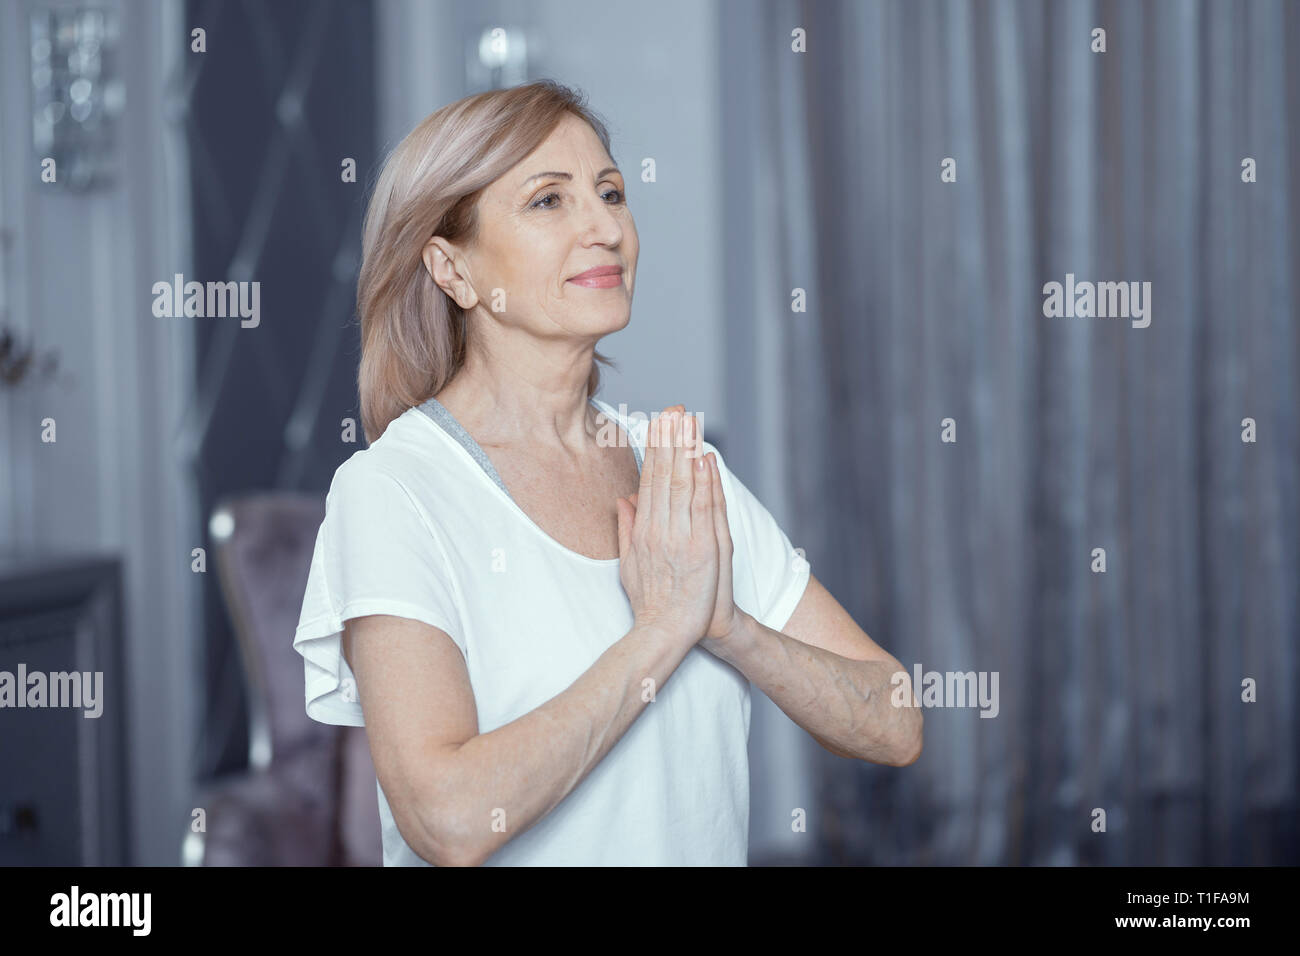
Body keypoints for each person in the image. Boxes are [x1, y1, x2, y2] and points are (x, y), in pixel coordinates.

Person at [293, 80, 921, 866]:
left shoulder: (679, 469)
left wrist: (727, 625)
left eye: (611, 192)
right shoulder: (392, 492)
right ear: (451, 270)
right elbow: (448, 820)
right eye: (548, 202)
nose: (604, 228)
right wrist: (661, 633)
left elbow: (896, 720)